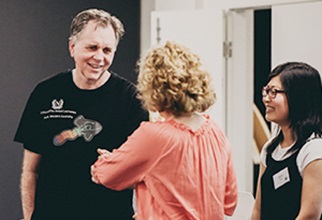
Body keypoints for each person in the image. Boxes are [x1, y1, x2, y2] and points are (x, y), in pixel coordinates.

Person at [14, 8, 149, 220]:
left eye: (107, 50)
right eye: (92, 47)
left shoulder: (132, 99)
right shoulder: (45, 93)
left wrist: (117, 167)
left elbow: (143, 174)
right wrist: (30, 216)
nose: (99, 57)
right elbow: (31, 170)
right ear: (72, 47)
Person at [91, 41, 238, 220]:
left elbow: (105, 175)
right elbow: (229, 201)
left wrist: (107, 160)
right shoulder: (216, 132)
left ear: (153, 86)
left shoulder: (154, 136)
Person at [251, 62, 322, 219]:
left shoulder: (314, 150)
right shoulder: (270, 148)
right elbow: (258, 208)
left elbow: (309, 215)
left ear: (297, 97)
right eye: (266, 91)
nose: (266, 99)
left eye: (274, 92)